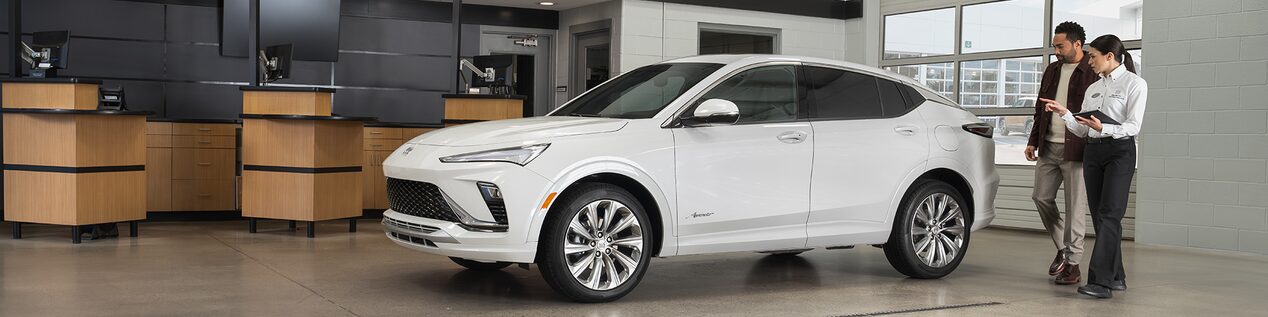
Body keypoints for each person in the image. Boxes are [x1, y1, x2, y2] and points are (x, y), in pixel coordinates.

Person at [1039, 34, 1146, 299]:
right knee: (1101, 217)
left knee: (1110, 214)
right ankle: (1117, 276)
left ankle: (1101, 282)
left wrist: (1105, 127)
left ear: (1110, 56)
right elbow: (1082, 129)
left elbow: (1134, 126)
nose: (1090, 61)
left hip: (1119, 151)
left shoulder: (1135, 84)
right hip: (1093, 151)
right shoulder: (1093, 88)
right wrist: (1065, 114)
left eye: (1094, 56)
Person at [1026, 21, 1097, 285]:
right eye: (1054, 45)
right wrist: (1033, 140)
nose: (1056, 50)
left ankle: (1074, 264)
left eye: (1060, 45)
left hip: (1076, 148)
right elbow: (1039, 107)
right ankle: (1064, 249)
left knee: (1075, 208)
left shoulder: (1091, 70)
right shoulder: (1052, 70)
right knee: (1041, 197)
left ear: (1077, 44)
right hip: (1048, 145)